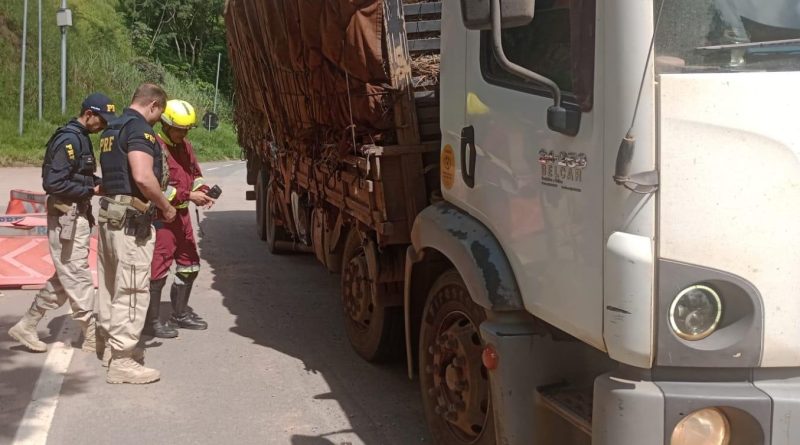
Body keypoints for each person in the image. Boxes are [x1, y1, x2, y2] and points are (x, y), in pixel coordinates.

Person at [8, 93, 117, 353]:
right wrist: (91, 189)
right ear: (88, 114)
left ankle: (27, 325)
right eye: (101, 120)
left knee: (65, 276)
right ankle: (90, 334)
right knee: (77, 275)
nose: (103, 126)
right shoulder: (68, 139)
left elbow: (80, 175)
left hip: (77, 216)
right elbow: (53, 183)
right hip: (66, 219)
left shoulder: (81, 138)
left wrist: (98, 183)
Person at [96, 83, 175, 384]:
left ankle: (110, 348)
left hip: (110, 217)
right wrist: (166, 206)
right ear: (153, 105)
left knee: (110, 286)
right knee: (131, 290)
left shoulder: (111, 129)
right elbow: (142, 177)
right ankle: (123, 360)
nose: (157, 120)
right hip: (131, 223)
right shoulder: (140, 130)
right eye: (159, 113)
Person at [144, 99, 215, 338]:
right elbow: (155, 187)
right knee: (158, 270)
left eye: (186, 130)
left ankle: (180, 314)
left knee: (190, 264)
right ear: (165, 124)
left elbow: (195, 175)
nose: (183, 134)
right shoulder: (155, 147)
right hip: (163, 217)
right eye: (179, 129)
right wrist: (188, 195)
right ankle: (152, 322)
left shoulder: (185, 147)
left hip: (182, 217)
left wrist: (203, 191)